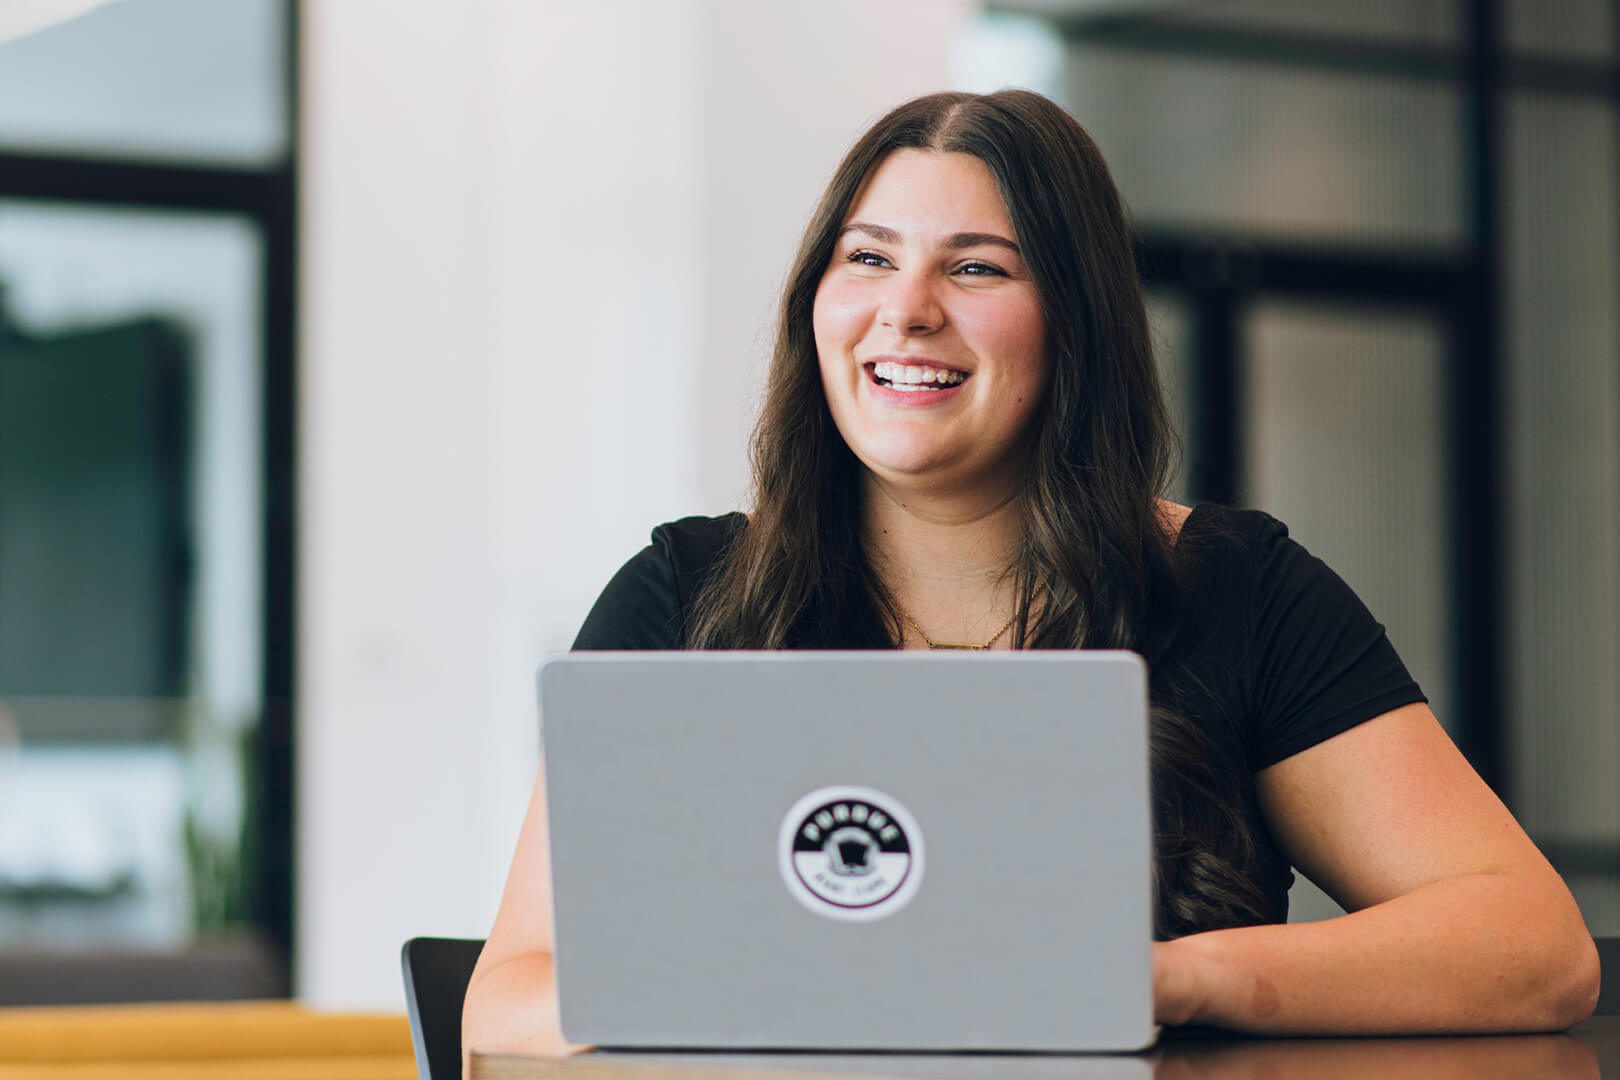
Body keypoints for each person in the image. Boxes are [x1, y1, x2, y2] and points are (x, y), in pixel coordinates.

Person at [462, 90, 1599, 1059]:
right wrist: (807, 1008)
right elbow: (507, 996)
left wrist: (1162, 981)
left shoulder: (1240, 588)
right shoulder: (685, 592)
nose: (906, 309)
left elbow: (1534, 950)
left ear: (1077, 320)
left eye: (975, 266)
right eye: (867, 257)